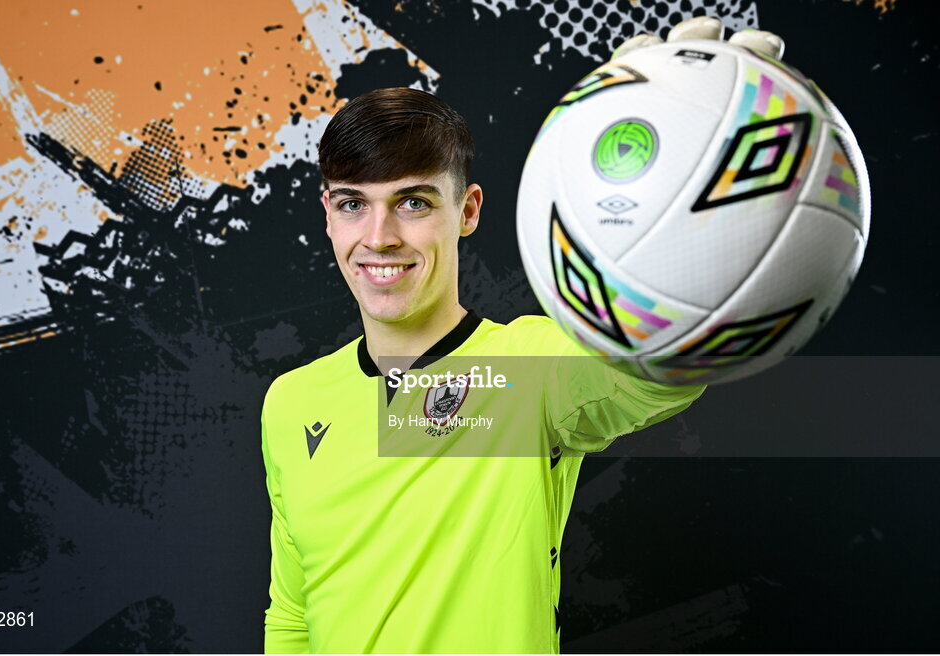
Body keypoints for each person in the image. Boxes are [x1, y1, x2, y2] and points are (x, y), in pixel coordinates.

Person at [261, 17, 785, 654]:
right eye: (352, 204)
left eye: (414, 202)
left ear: (469, 210)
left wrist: (696, 176)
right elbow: (292, 617)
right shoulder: (292, 402)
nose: (378, 237)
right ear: (328, 215)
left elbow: (658, 370)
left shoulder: (526, 368)